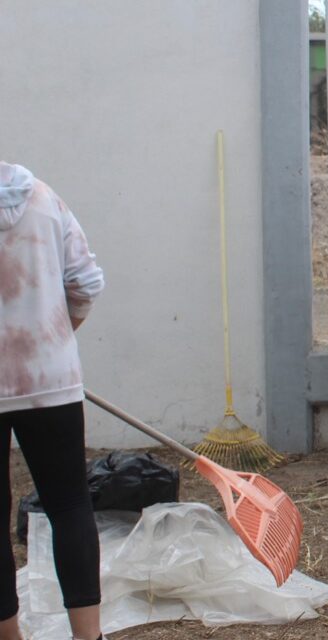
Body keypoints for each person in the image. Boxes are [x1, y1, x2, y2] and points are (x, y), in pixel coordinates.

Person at [0, 162, 106, 640]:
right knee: (69, 505)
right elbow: (85, 283)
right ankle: (89, 636)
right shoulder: (44, 199)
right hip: (51, 378)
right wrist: (55, 340)